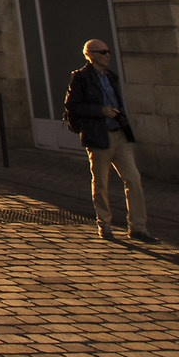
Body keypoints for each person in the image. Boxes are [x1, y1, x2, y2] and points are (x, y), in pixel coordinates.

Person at [63, 39, 155, 244]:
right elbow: (72, 107)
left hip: (119, 134)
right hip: (98, 134)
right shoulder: (81, 78)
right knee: (101, 183)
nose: (108, 55)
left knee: (133, 179)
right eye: (103, 52)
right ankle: (104, 223)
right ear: (92, 55)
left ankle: (138, 227)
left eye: (108, 51)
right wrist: (100, 111)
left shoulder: (112, 77)